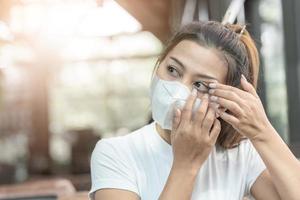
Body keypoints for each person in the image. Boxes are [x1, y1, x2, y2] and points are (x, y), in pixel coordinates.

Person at [89, 21, 300, 200]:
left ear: (224, 102)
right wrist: (185, 165)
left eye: (200, 85)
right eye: (172, 70)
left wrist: (262, 131)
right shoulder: (115, 153)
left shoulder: (240, 154)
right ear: (159, 64)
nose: (178, 90)